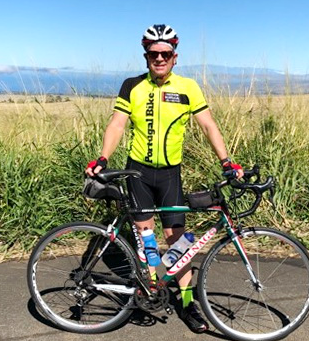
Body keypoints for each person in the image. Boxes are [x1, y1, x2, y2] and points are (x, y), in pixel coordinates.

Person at [84, 24, 243, 333]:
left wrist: (226, 162)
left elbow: (208, 125)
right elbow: (117, 124)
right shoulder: (132, 86)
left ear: (174, 56)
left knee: (178, 239)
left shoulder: (188, 87)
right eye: (153, 54)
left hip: (170, 173)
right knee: (145, 236)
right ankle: (148, 291)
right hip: (137, 172)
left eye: (165, 53)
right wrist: (103, 157)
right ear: (146, 56)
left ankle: (186, 302)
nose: (159, 58)